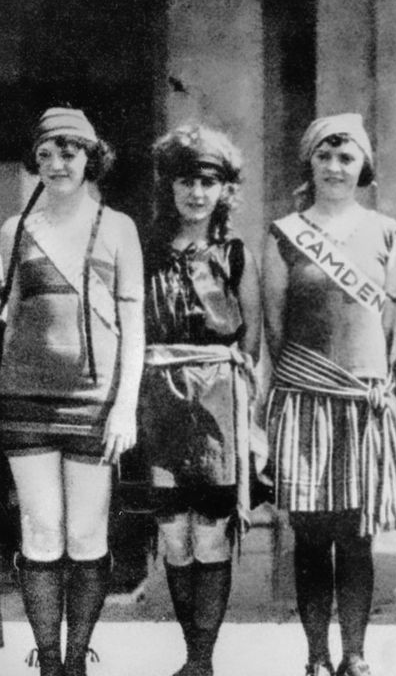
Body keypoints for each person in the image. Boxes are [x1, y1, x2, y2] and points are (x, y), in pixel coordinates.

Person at [262, 113, 396, 676]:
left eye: (346, 157)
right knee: (310, 536)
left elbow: (387, 324)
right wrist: (300, 382)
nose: (334, 167)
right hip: (305, 399)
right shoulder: (283, 232)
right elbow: (275, 329)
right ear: (310, 163)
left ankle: (355, 654)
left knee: (355, 537)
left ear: (363, 166)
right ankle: (316, 657)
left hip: (362, 403)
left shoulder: (387, 230)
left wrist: (375, 382)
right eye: (324, 156)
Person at [0, 108, 145, 676]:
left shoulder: (119, 227)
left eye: (69, 152)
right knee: (40, 531)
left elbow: (134, 326)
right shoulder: (13, 230)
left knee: (86, 534)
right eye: (46, 154)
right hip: (24, 399)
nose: (57, 164)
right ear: (34, 161)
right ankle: (51, 662)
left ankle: (80, 657)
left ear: (91, 157)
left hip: (96, 403)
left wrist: (125, 406)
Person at [139, 124, 262, 676]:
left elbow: (252, 341)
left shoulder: (235, 255)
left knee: (211, 535)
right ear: (169, 187)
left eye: (207, 183)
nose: (195, 193)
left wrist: (243, 413)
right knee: (174, 536)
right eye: (185, 181)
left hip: (217, 402)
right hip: (160, 398)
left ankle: (201, 660)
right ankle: (192, 650)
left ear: (223, 191)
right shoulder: (146, 252)